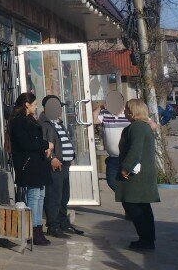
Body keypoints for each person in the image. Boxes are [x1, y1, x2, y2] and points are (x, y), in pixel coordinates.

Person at [8, 92, 57, 246]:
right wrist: (46, 145)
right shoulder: (18, 121)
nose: (36, 106)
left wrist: (46, 146)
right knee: (34, 195)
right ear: (26, 104)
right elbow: (26, 143)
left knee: (40, 194)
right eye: (34, 104)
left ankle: (37, 228)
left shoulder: (29, 119)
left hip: (37, 162)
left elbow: (35, 140)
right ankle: (33, 230)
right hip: (28, 164)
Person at [115, 98, 160, 251]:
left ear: (133, 111)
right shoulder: (141, 126)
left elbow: (135, 150)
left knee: (133, 205)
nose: (125, 111)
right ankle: (148, 239)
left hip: (136, 176)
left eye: (127, 109)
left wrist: (126, 167)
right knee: (143, 206)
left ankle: (146, 240)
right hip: (142, 174)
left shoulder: (137, 127)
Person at [40, 95, 85, 238]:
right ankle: (53, 225)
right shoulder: (44, 124)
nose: (60, 111)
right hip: (55, 166)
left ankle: (62, 222)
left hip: (65, 165)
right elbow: (43, 144)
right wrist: (52, 158)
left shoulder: (58, 123)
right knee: (54, 196)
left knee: (64, 196)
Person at [94, 90, 130, 192]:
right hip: (113, 158)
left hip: (127, 157)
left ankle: (130, 201)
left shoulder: (129, 113)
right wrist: (100, 107)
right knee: (112, 181)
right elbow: (92, 119)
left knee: (129, 184)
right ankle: (127, 199)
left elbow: (150, 124)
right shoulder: (105, 114)